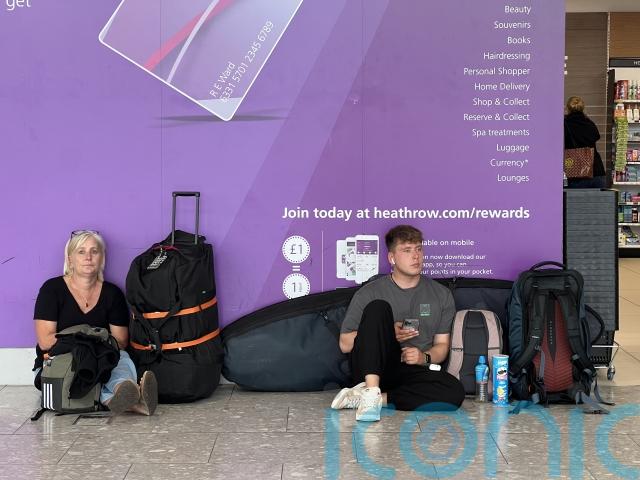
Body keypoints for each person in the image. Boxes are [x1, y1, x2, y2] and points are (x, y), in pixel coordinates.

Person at [331, 225, 465, 422]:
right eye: (407, 250)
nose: (416, 256)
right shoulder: (369, 292)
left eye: (419, 249)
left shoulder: (441, 294)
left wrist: (424, 357)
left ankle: (372, 399)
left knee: (454, 392)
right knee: (378, 308)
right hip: (371, 369)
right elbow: (345, 344)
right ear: (392, 258)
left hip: (409, 370)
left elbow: (442, 346)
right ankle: (370, 390)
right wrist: (387, 334)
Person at [33, 230, 157, 415]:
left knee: (120, 359)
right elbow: (45, 341)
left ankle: (123, 389)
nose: (88, 257)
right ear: (70, 259)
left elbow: (120, 341)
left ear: (102, 258)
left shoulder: (112, 293)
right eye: (81, 251)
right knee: (90, 370)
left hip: (104, 356)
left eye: (94, 251)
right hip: (61, 360)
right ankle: (134, 403)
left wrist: (89, 347)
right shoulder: (51, 289)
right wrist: (93, 343)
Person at [564, 96, 606, 188]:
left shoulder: (565, 124)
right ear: (583, 108)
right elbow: (596, 136)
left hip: (577, 173)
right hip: (597, 172)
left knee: (575, 198)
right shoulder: (589, 123)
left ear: (567, 108)